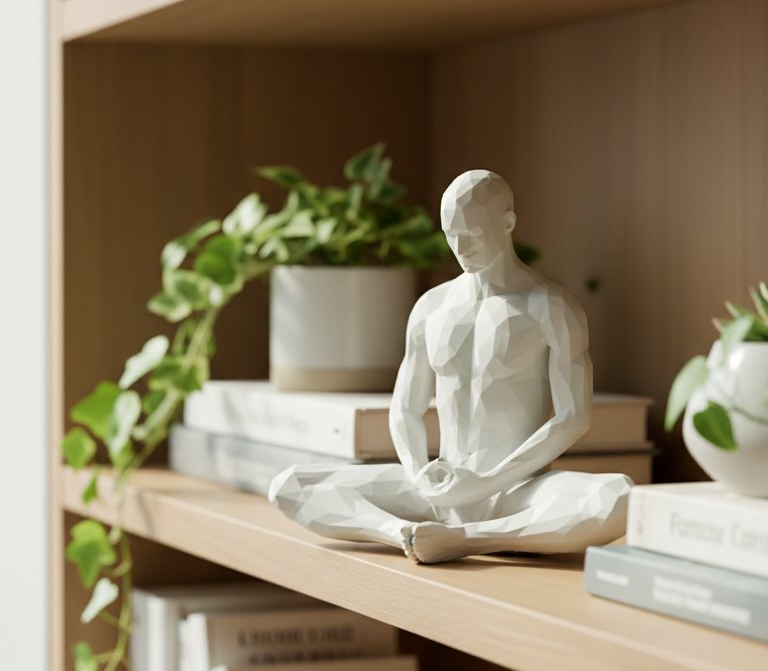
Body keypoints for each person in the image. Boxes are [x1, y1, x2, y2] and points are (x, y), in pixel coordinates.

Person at [269, 170, 631, 564]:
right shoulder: (431, 308)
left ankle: (466, 540)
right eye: (450, 234)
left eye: (472, 234)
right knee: (290, 484)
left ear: (507, 223)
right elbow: (405, 409)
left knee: (618, 496)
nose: (460, 247)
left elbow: (574, 417)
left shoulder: (551, 308)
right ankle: (402, 535)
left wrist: (486, 482)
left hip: (514, 490)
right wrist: (418, 473)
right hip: (440, 483)